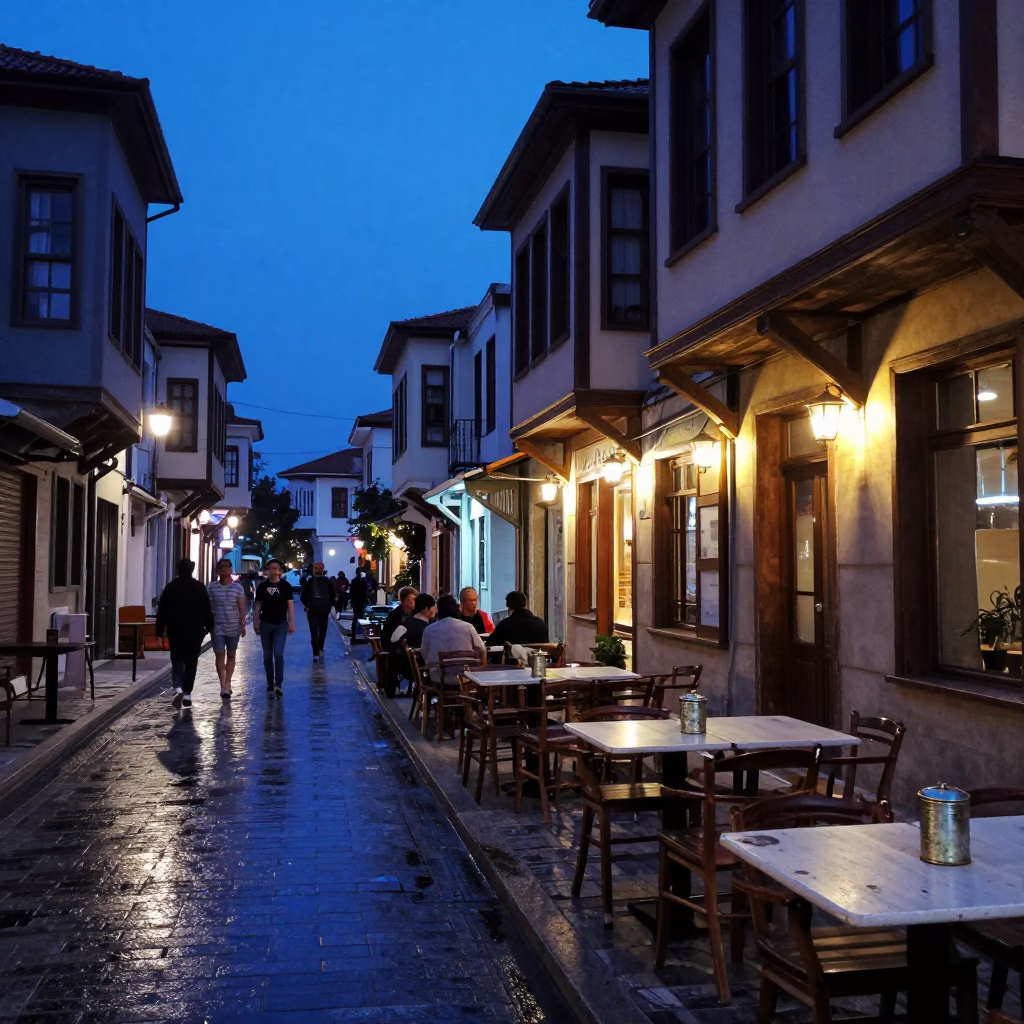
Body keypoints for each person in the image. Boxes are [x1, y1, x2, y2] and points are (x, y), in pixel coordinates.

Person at [155, 558, 214, 711]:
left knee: (177, 659)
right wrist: (210, 627)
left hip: (175, 629)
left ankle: (177, 688)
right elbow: (206, 608)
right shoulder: (199, 587)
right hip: (195, 630)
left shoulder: (170, 587)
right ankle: (187, 693)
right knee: (191, 662)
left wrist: (159, 629)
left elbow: (162, 609)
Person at [253, 558, 295, 697]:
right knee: (266, 656)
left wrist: (292, 621)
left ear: (280, 571)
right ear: (268, 570)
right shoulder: (262, 587)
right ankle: (270, 683)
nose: (274, 571)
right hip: (266, 624)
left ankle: (279, 683)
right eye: (271, 568)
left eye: (277, 568)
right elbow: (258, 605)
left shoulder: (286, 586)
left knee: (278, 653)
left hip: (281, 624)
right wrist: (255, 621)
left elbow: (290, 605)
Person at [420, 594, 484, 682]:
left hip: (439, 678)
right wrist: (478, 668)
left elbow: (425, 652)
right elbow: (481, 649)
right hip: (466, 677)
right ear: (457, 609)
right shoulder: (468, 627)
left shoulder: (429, 629)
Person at [207, 557, 247, 698]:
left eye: (228, 566)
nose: (225, 569)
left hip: (233, 626)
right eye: (222, 567)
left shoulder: (238, 587)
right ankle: (223, 685)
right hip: (217, 627)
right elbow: (208, 607)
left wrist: (242, 625)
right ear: (218, 570)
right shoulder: (212, 587)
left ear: (231, 569)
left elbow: (242, 608)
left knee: (231, 654)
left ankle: (229, 681)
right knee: (219, 655)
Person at [380, 587, 417, 697]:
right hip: (395, 646)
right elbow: (388, 634)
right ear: (403, 600)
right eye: (410, 598)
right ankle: (392, 687)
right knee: (397, 657)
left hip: (411, 645)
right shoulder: (395, 614)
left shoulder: (416, 614)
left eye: (414, 599)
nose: (412, 601)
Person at [300, 561, 336, 662]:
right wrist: (308, 605)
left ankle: (320, 648)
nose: (318, 570)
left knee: (323, 630)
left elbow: (333, 595)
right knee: (314, 631)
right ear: (314, 569)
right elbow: (303, 596)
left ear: (323, 569)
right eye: (316, 568)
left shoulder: (328, 582)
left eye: (320, 568)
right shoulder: (310, 582)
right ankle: (316, 652)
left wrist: (330, 605)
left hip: (324, 609)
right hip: (313, 609)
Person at [349, 568, 368, 640]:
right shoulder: (356, 581)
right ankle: (355, 634)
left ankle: (358, 634)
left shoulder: (361, 581)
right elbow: (354, 592)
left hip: (359, 601)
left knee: (359, 617)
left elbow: (364, 591)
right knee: (357, 616)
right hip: (357, 601)